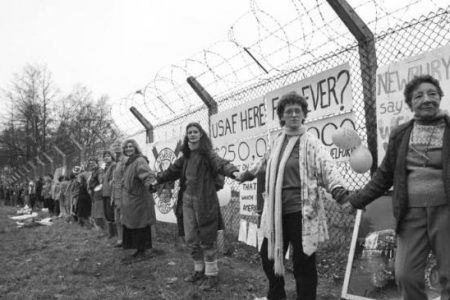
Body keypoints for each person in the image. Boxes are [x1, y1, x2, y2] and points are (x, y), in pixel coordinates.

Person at [237, 92, 351, 300]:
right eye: (288, 111)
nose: (293, 114)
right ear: (281, 116)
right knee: (268, 256)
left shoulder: (311, 142)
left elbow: (327, 167)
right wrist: (246, 174)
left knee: (303, 263)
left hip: (302, 213)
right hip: (275, 213)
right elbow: (262, 162)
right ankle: (277, 295)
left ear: (304, 114)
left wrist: (339, 191)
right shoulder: (277, 141)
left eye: (297, 111)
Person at [347, 75, 450, 300]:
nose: (427, 99)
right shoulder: (401, 134)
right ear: (410, 103)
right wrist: (356, 200)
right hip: (411, 213)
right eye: (419, 96)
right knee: (406, 275)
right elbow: (384, 176)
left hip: (446, 212)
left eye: (432, 94)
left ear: (440, 97)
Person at [155, 122, 240, 291]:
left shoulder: (208, 153)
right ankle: (198, 270)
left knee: (207, 239)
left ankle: (212, 275)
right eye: (189, 132)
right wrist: (157, 180)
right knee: (191, 238)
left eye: (195, 132)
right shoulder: (185, 157)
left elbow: (221, 163)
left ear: (201, 134)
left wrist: (234, 172)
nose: (192, 134)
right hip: (186, 201)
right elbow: (171, 171)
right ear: (187, 136)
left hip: (204, 202)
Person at [121, 139, 157, 260]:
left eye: (131, 146)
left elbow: (148, 175)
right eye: (126, 147)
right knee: (134, 224)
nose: (128, 149)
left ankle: (144, 252)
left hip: (139, 199)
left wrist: (151, 184)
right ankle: (139, 250)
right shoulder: (129, 162)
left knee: (140, 224)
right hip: (131, 200)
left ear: (136, 148)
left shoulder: (139, 160)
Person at [111, 147, 126, 248]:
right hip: (115, 194)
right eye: (116, 153)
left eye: (119, 152)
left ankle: (125, 239)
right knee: (117, 219)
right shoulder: (116, 164)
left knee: (122, 218)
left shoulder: (124, 163)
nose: (117, 154)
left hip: (122, 194)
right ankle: (120, 239)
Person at [101, 150, 117, 238]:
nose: (106, 157)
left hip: (111, 193)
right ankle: (110, 233)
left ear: (112, 156)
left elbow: (112, 179)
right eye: (105, 156)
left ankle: (114, 234)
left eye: (108, 156)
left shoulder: (113, 165)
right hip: (105, 193)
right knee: (107, 214)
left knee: (111, 214)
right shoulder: (106, 167)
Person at [87, 157, 105, 232]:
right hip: (94, 194)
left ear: (97, 163)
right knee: (96, 210)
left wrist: (96, 189)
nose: (91, 164)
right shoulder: (93, 172)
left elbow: (101, 181)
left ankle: (101, 229)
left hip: (98, 194)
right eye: (90, 163)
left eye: (93, 162)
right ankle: (99, 228)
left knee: (99, 211)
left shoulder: (99, 170)